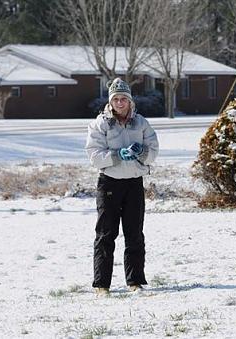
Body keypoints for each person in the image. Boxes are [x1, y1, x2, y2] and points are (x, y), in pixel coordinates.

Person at [85, 77, 159, 295]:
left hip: (134, 183)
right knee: (106, 234)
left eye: (123, 99)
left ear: (129, 101)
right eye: (115, 99)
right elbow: (94, 156)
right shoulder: (100, 124)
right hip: (109, 184)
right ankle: (102, 285)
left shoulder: (141, 123)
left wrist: (142, 152)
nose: (119, 103)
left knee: (134, 233)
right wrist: (118, 155)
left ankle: (135, 281)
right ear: (110, 102)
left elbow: (153, 150)